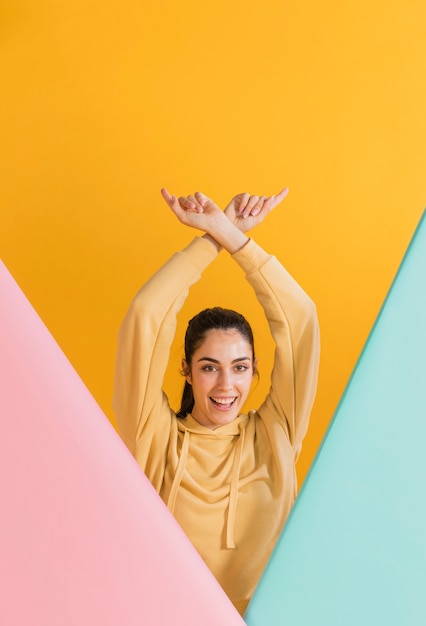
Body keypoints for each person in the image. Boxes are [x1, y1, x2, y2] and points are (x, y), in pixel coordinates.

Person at [113, 187, 320, 615]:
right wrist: (209, 241)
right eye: (209, 366)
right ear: (187, 370)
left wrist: (236, 239)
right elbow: (146, 314)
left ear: (255, 369)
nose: (226, 384)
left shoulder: (276, 432)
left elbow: (300, 319)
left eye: (240, 367)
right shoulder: (153, 435)